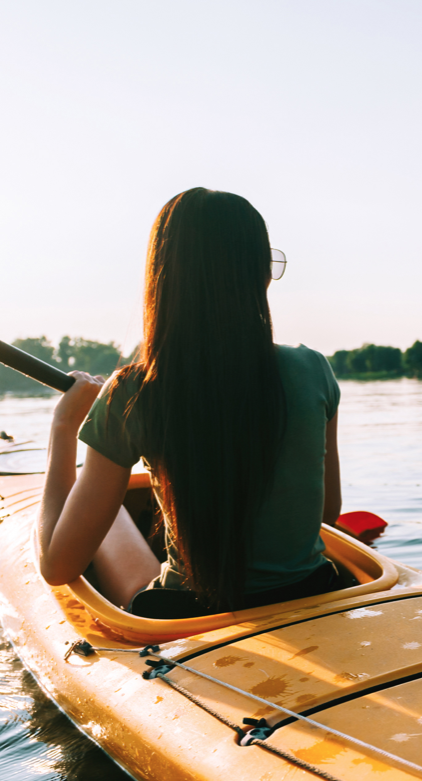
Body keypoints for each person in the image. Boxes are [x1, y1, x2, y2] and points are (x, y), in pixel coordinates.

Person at [36, 188, 342, 618]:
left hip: (190, 613)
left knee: (114, 515)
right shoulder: (313, 369)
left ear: (163, 278)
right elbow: (326, 513)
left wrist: (65, 426)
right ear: (259, 273)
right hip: (313, 592)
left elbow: (58, 566)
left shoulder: (133, 393)